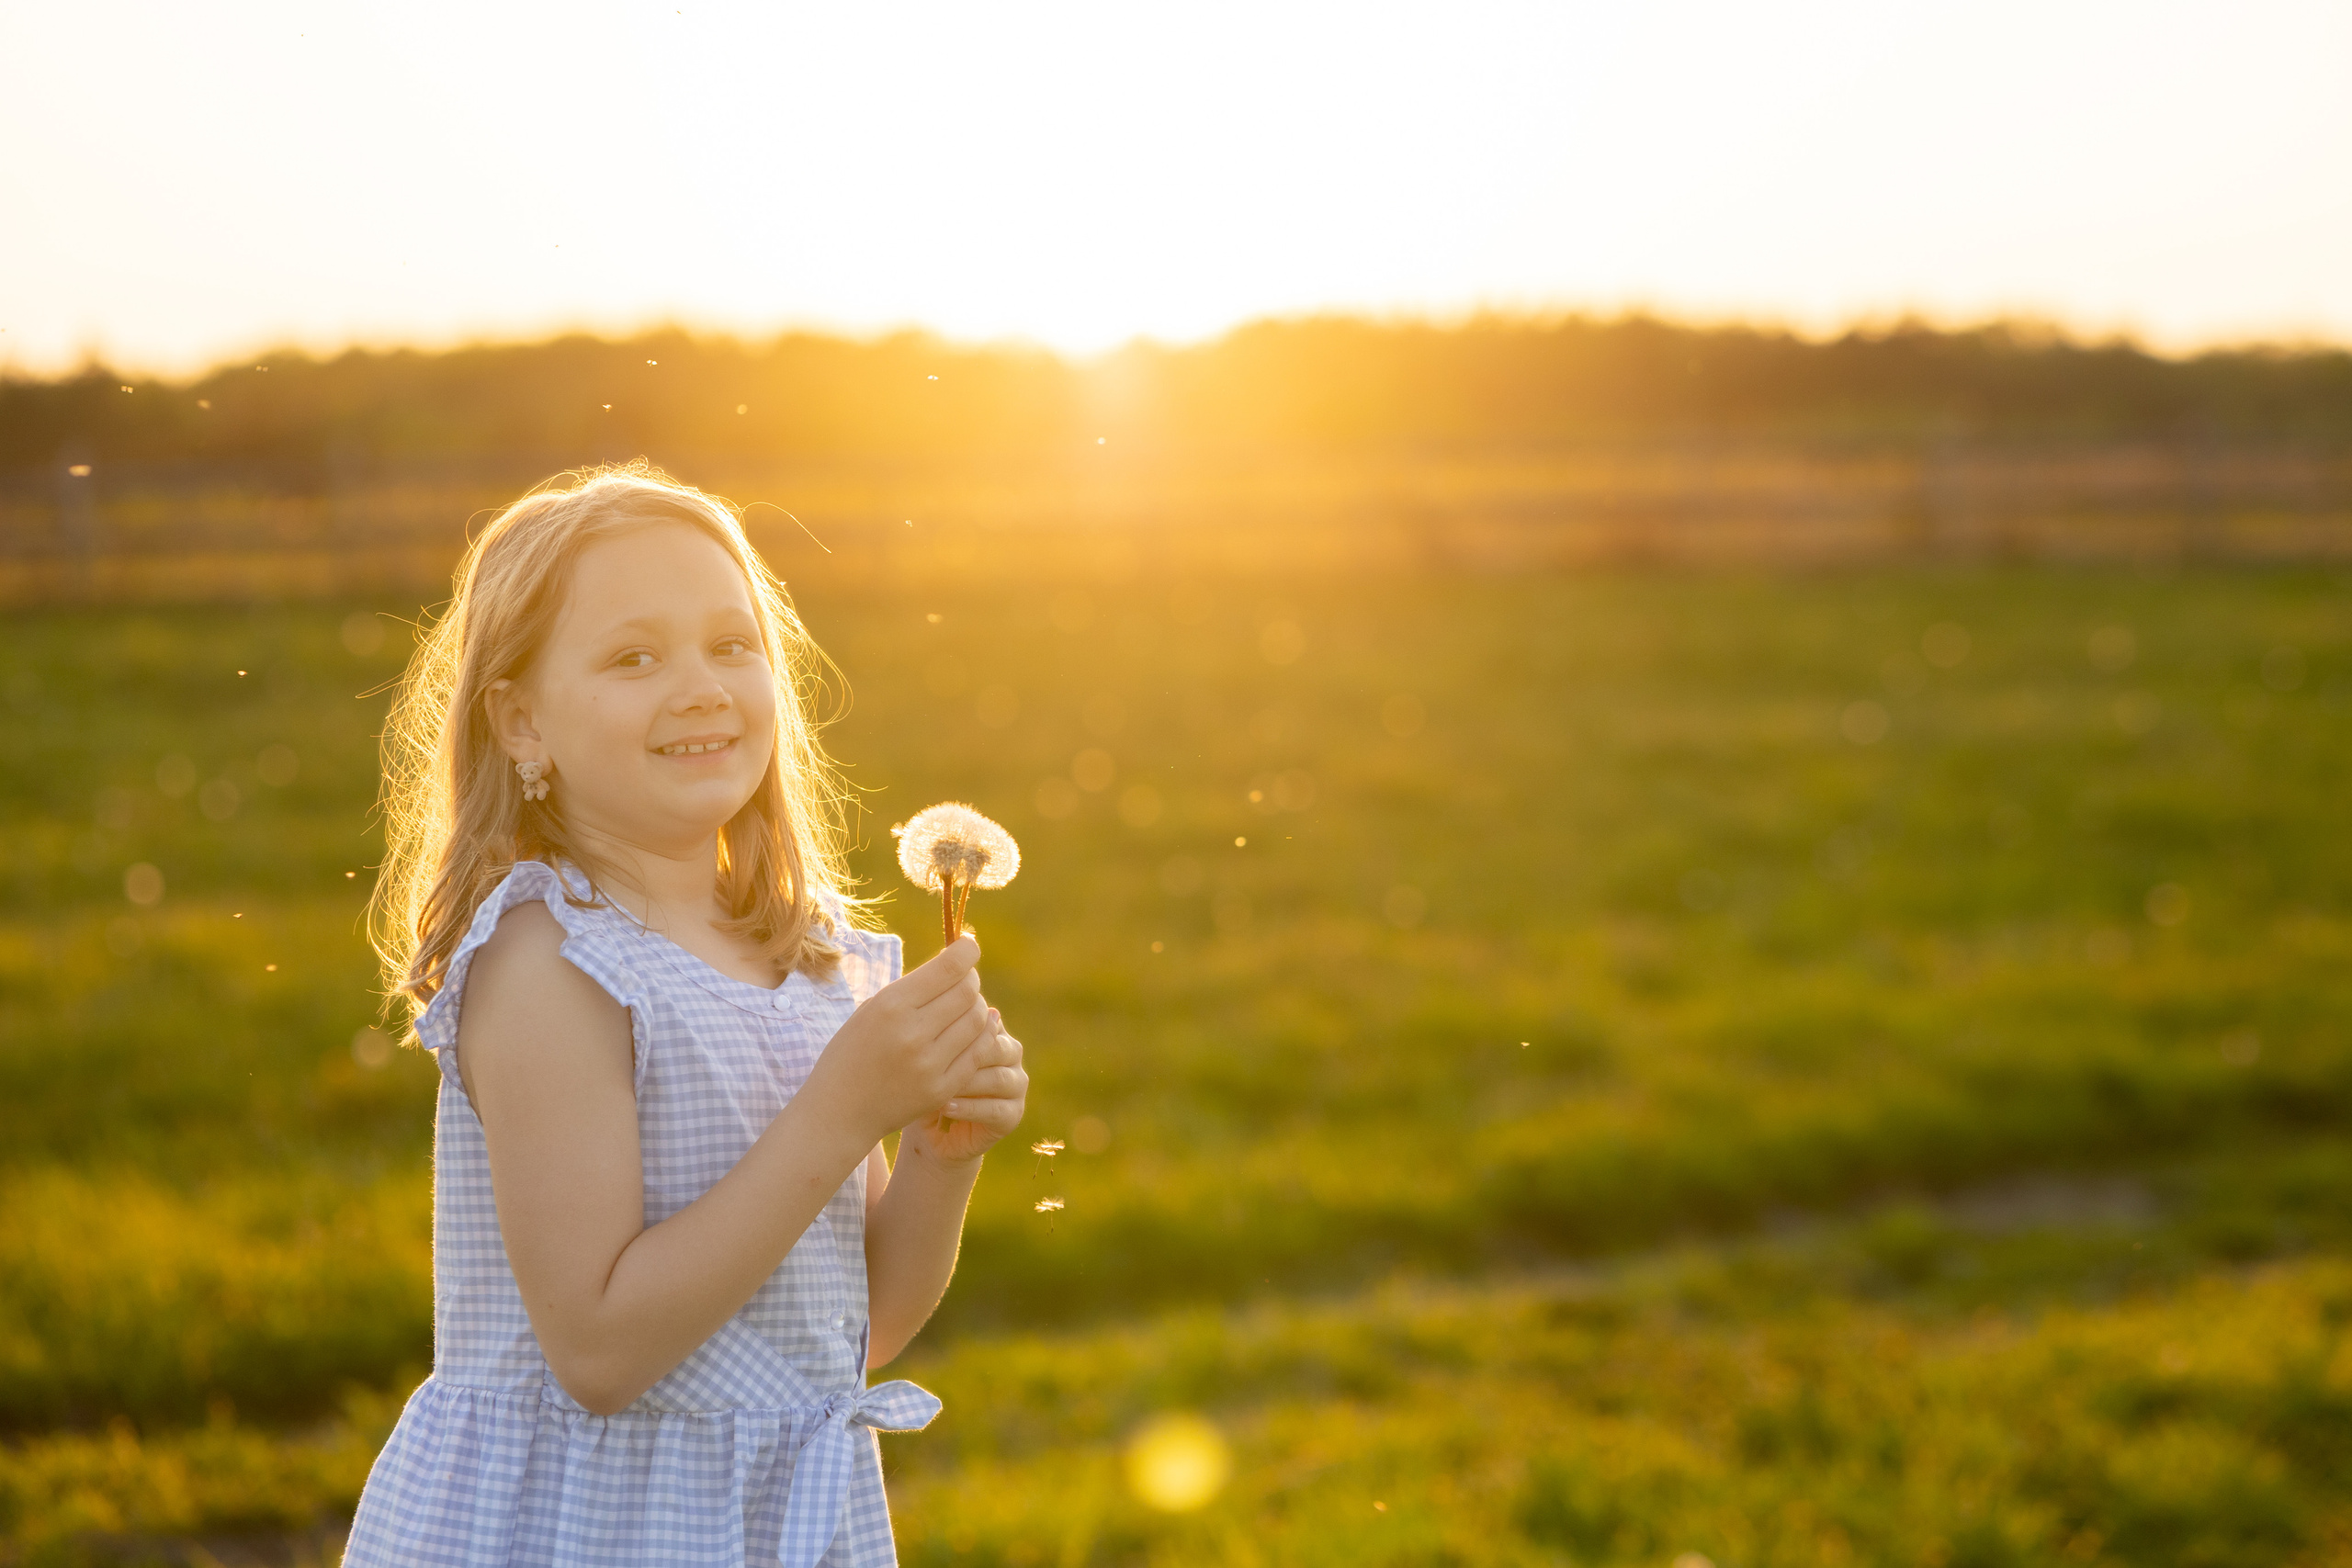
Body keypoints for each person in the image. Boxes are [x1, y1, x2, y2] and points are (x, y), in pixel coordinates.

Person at [344, 464, 1027, 1566]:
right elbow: (602, 1352)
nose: (703, 686)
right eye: (633, 657)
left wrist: (941, 1152)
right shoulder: (550, 961)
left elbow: (848, 1335)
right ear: (521, 722)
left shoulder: (804, 958)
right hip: (587, 1527)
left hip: (776, 1524)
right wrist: (844, 1107)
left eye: (731, 644)